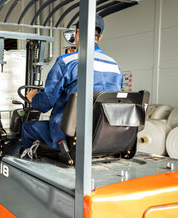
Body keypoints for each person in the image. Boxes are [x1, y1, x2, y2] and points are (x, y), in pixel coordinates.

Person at [21, 14, 123, 150]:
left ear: (78, 33)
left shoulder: (67, 61)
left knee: (27, 128)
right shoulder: (115, 66)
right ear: (100, 36)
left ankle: (28, 160)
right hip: (103, 134)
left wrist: (33, 98)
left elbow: (46, 103)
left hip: (67, 133)